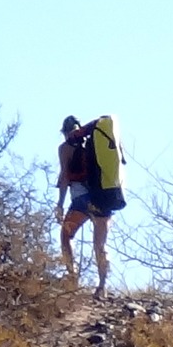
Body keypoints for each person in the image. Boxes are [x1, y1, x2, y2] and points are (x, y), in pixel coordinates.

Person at [56, 114, 124, 297]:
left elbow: (64, 177)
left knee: (65, 236)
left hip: (81, 201)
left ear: (65, 132)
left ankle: (73, 278)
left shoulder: (65, 148)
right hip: (103, 198)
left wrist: (60, 205)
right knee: (100, 245)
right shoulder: (93, 144)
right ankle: (102, 286)